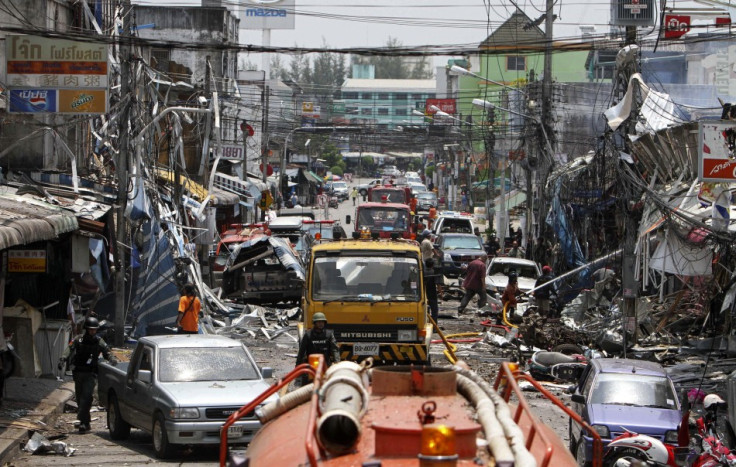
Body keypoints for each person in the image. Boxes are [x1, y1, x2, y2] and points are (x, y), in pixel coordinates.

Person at [60, 316, 116, 433]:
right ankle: (85, 422)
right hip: (79, 373)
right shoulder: (79, 339)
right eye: (90, 329)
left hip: (90, 374)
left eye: (94, 330)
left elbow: (107, 352)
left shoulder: (99, 341)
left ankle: (83, 422)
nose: (92, 332)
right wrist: (63, 359)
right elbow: (69, 349)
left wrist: (112, 359)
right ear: (86, 329)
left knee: (87, 397)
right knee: (80, 399)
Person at [296, 313, 340, 379]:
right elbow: (302, 351)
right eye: (319, 322)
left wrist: (337, 364)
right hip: (311, 364)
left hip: (326, 363)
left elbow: (335, 349)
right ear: (314, 323)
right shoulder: (308, 335)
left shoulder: (329, 334)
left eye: (322, 322)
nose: (321, 324)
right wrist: (298, 366)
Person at [424, 258, 439, 323]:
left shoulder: (422, 272)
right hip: (432, 293)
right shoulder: (434, 272)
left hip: (423, 293)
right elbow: (438, 284)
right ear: (433, 265)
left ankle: (425, 323)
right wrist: (441, 293)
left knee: (425, 309)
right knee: (434, 310)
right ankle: (434, 326)